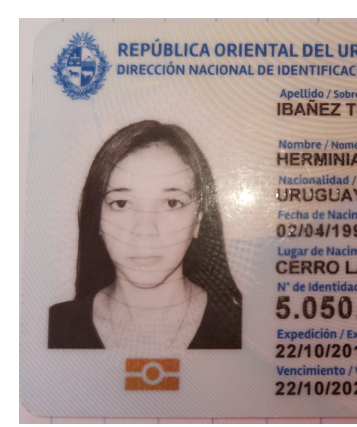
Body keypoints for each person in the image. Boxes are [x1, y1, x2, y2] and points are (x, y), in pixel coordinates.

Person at [48, 120, 242, 350]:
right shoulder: (55, 328)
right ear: (98, 218)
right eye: (121, 203)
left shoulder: (244, 331)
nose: (145, 230)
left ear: (198, 221)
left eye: (172, 203)